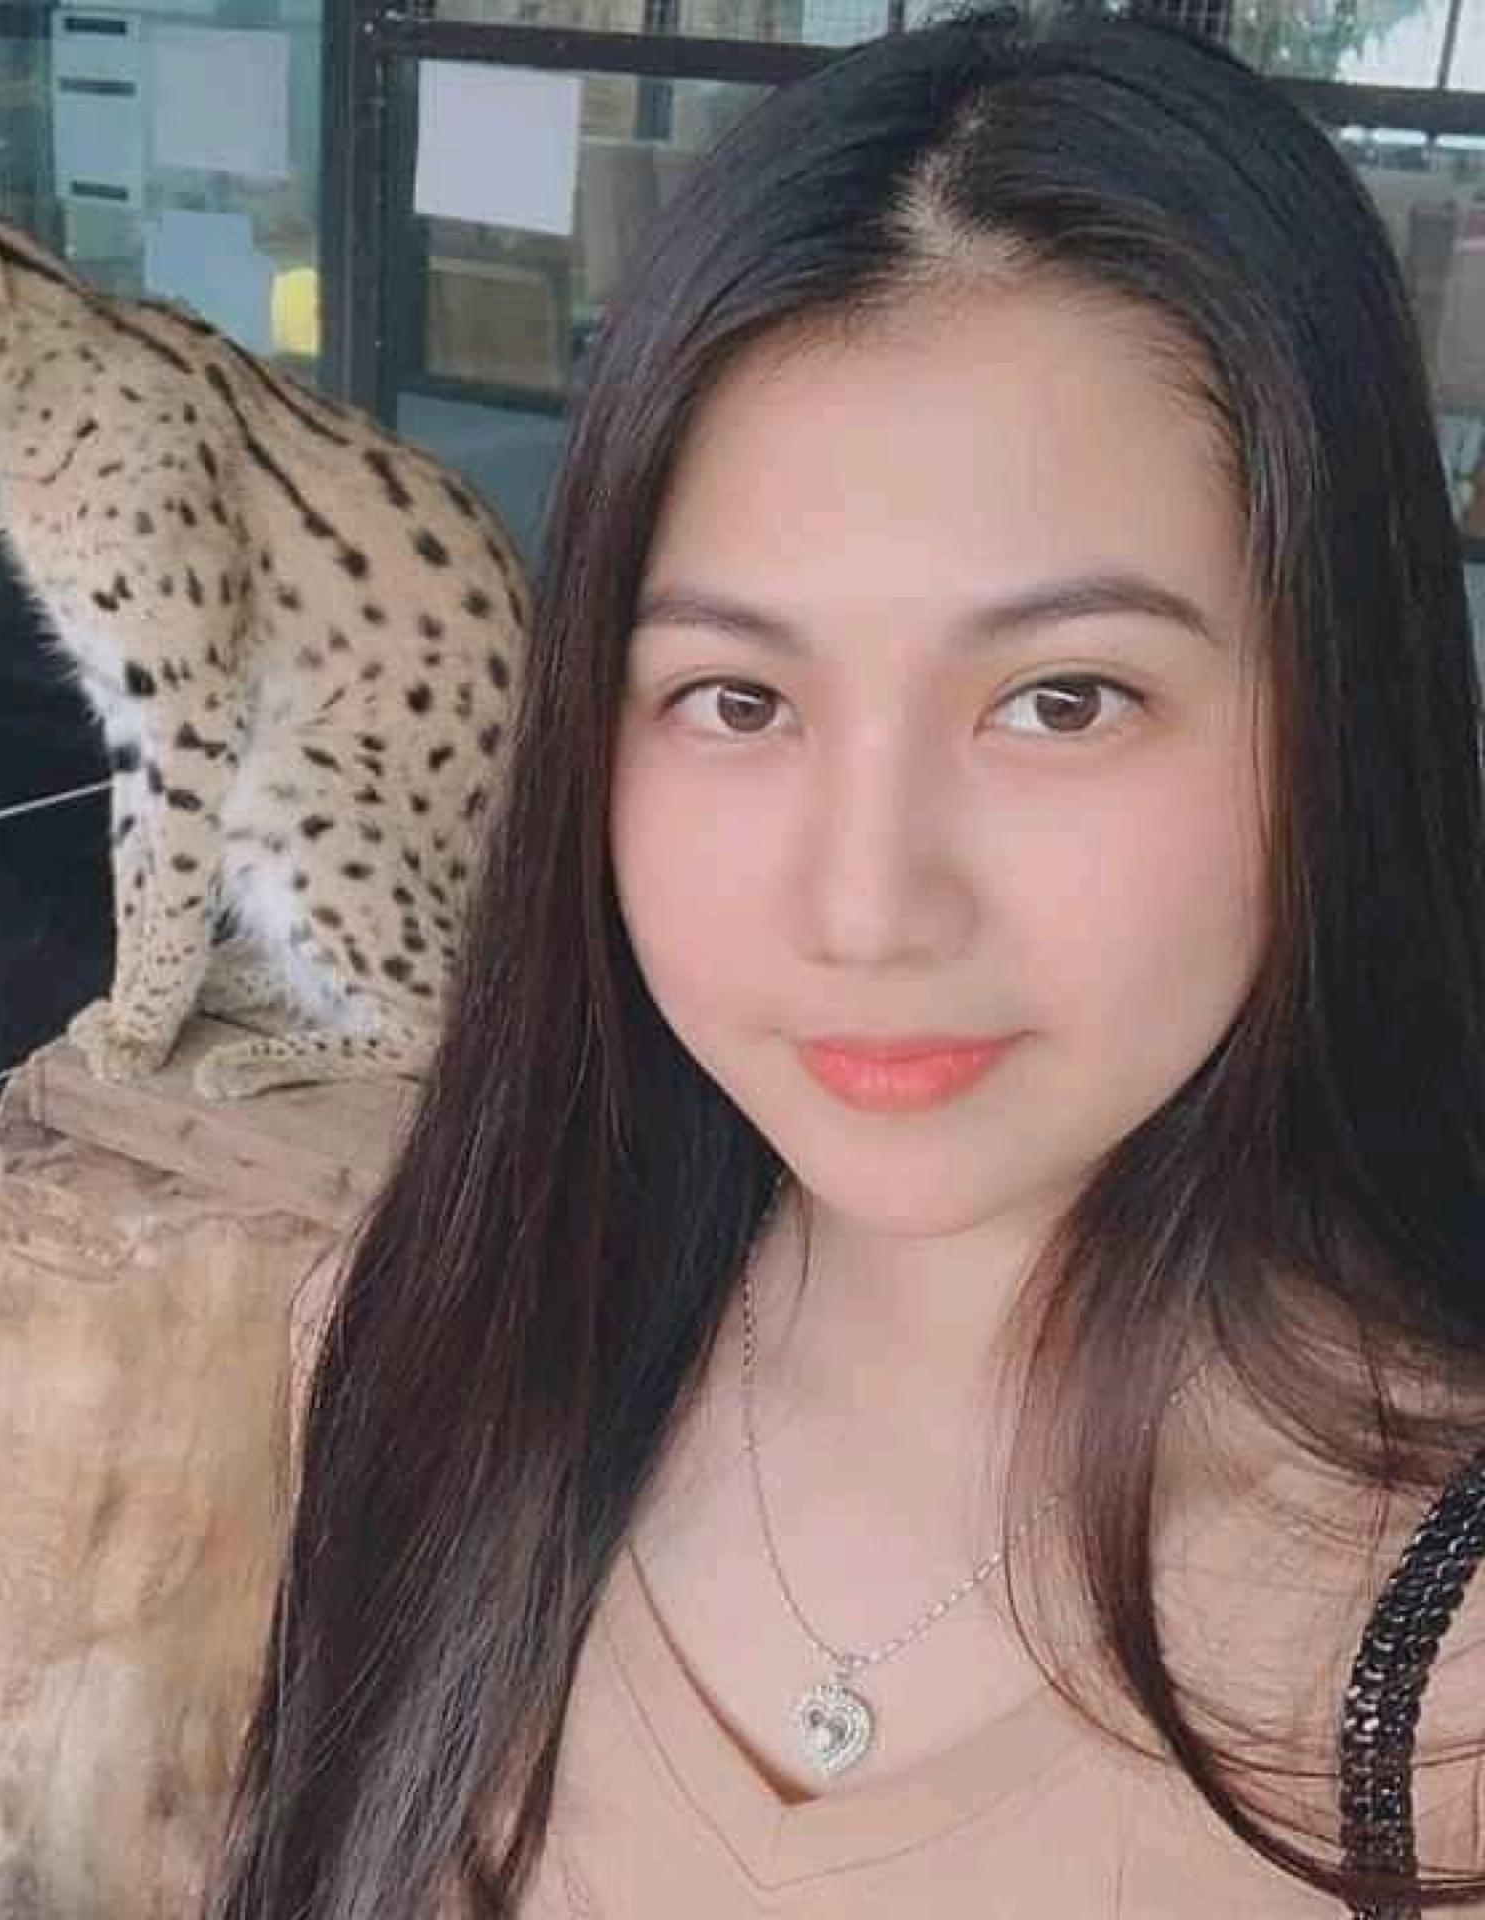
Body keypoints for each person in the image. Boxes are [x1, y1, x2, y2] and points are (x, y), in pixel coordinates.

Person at [213, 3, 1485, 1912]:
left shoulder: (1438, 1684)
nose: (867, 908)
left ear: (1335, 719)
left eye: (1063, 699)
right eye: (737, 699)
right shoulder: (422, 1353)